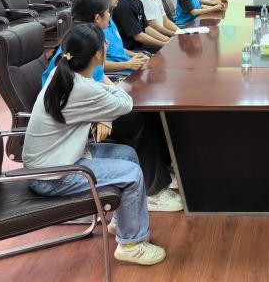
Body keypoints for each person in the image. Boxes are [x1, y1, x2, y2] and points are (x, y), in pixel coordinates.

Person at [23, 24, 166, 266]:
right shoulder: (80, 87)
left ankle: (122, 222)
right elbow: (125, 104)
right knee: (131, 174)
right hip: (53, 175)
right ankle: (131, 245)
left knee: (127, 155)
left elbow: (98, 96)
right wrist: (111, 86)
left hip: (59, 159)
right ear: (98, 54)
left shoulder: (63, 74)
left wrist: (104, 89)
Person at [42, 0, 114, 85]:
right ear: (97, 18)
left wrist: (114, 88)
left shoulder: (88, 40)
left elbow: (99, 75)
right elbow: (80, 88)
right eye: (108, 11)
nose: (109, 15)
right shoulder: (82, 48)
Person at [83, 0, 149, 75]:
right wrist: (128, 64)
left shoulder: (108, 18)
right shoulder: (92, 27)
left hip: (127, 66)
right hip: (118, 73)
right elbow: (96, 65)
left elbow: (118, 49)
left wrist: (136, 55)